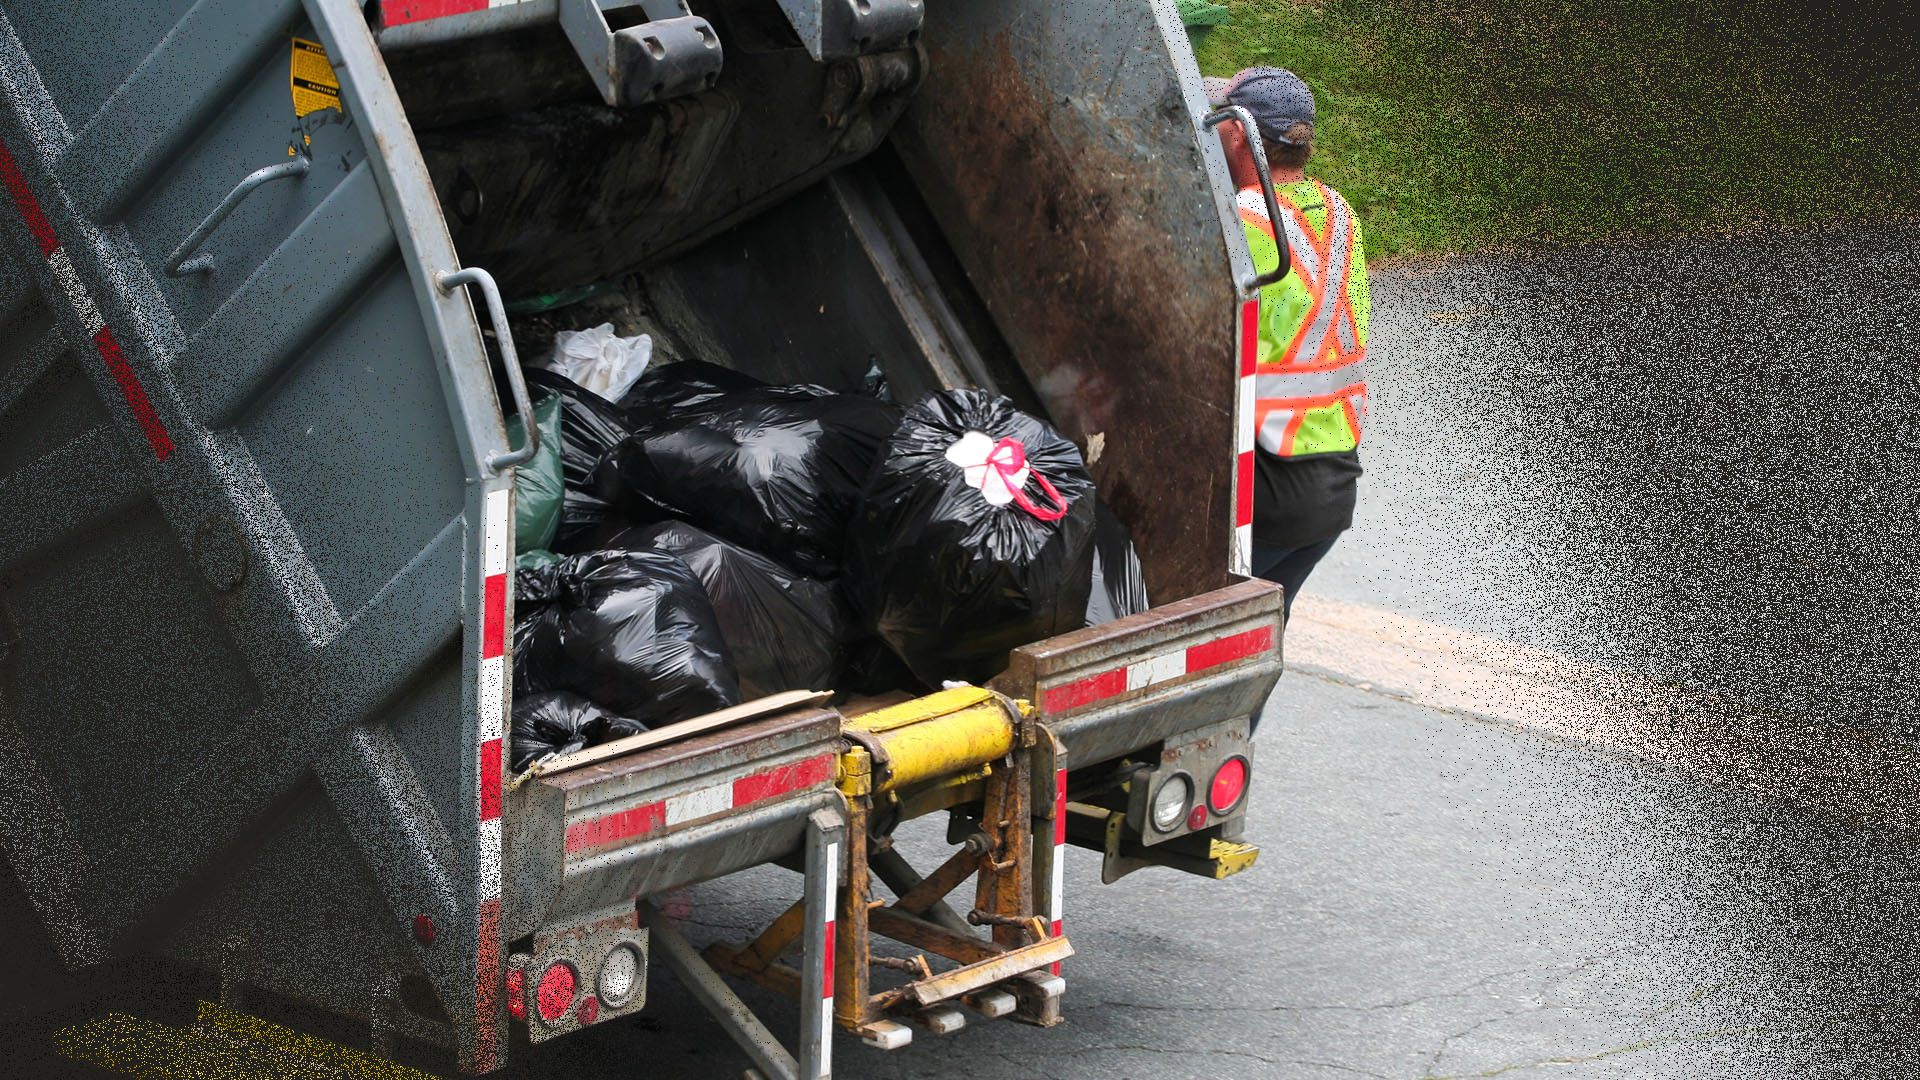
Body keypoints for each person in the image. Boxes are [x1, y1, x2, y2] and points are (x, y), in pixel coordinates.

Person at [1210, 67, 1370, 619]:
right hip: (1331, 487)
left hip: (1267, 489)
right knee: (1247, 652)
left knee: (1194, 643)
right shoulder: (1339, 212)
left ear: (1236, 134)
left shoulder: (1241, 221)